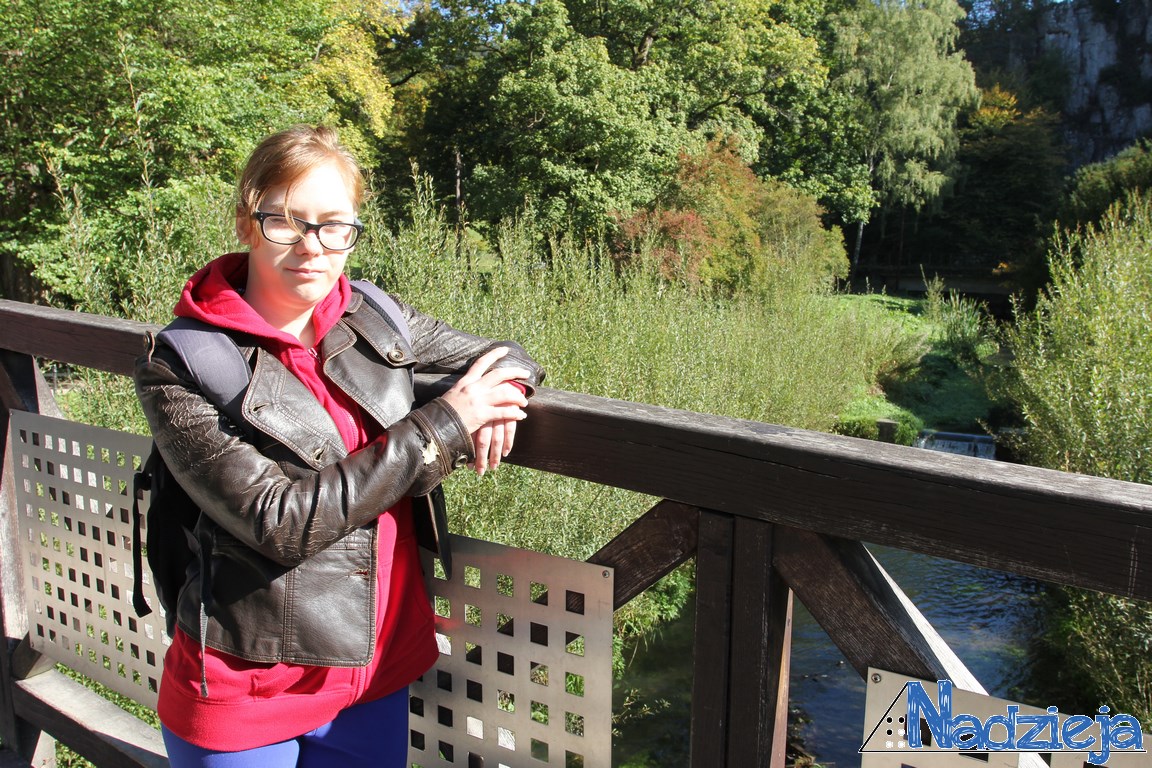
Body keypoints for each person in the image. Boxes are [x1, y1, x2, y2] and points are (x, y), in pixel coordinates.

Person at [134, 124, 544, 768]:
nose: (312, 245)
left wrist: (504, 392)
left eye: (334, 225)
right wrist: (448, 422)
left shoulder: (375, 315)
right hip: (248, 687)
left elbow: (505, 354)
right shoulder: (184, 362)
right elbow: (278, 522)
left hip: (377, 670)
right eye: (285, 221)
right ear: (246, 222)